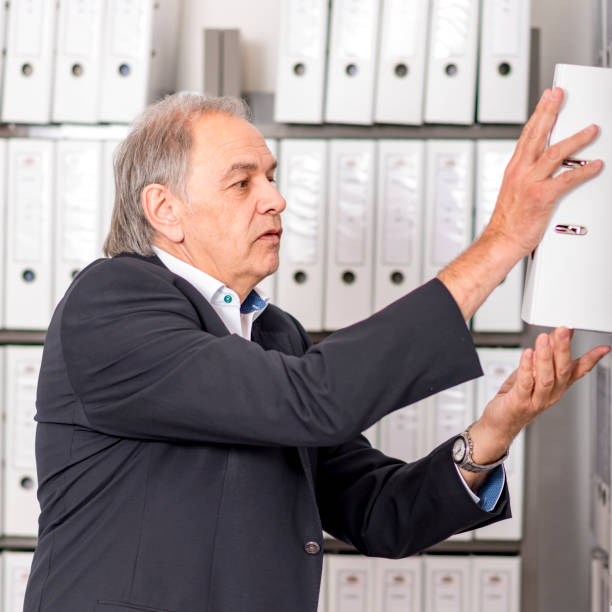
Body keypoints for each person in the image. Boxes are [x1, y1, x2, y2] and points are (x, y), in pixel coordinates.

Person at [24, 89, 608, 612]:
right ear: (165, 210)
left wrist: (492, 433)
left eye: (272, 177)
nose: (276, 199)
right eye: (243, 181)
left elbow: (378, 513)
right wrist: (502, 241)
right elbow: (312, 398)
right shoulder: (110, 303)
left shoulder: (276, 333)